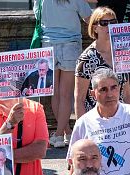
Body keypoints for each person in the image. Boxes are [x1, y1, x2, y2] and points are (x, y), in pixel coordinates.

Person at [35, 0, 92, 149]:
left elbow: (37, 15)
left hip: (48, 45)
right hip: (70, 44)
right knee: (66, 94)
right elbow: (89, 17)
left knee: (55, 93)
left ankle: (65, 132)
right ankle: (61, 133)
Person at [75, 7, 130, 123]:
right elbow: (79, 98)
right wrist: (82, 131)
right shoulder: (86, 58)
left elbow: (127, 93)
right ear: (95, 28)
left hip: (121, 120)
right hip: (97, 122)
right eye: (104, 23)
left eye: (113, 22)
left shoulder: (120, 53)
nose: (109, 26)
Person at [47, 139, 112, 175]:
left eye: (94, 158)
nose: (89, 165)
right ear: (71, 162)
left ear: (100, 159)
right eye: (82, 159)